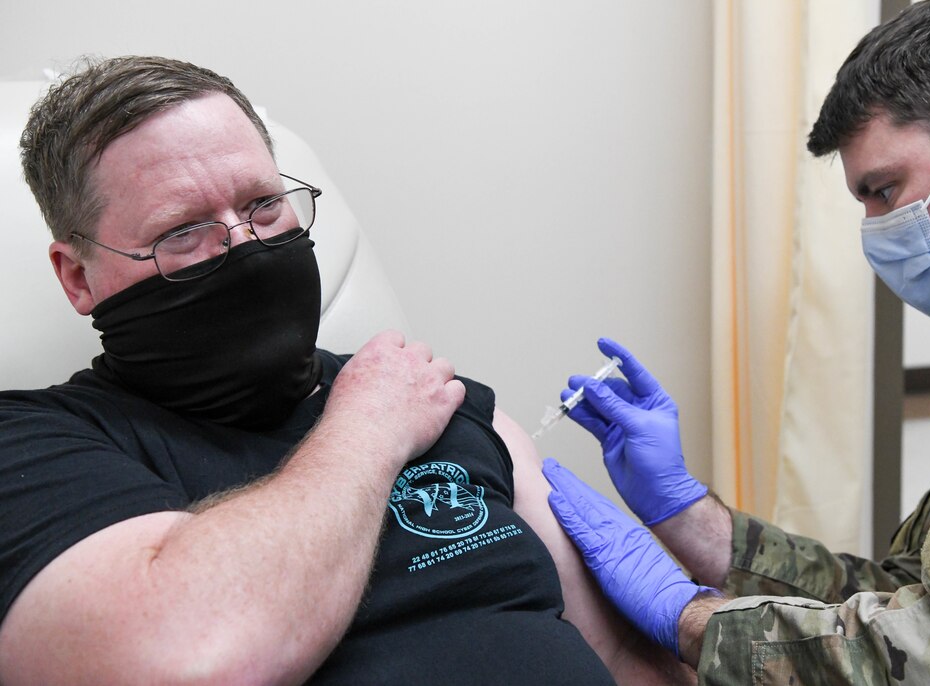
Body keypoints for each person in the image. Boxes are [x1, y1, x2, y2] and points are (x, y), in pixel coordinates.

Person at [0, 56, 690, 685]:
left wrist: (694, 540)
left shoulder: (433, 397)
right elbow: (191, 661)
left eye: (264, 205)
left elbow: (624, 658)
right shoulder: (35, 446)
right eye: (182, 231)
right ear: (77, 277)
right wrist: (367, 429)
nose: (246, 246)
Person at [544, 0, 930, 683]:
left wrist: (686, 618)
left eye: (886, 191)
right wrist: (688, 516)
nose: (878, 232)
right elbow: (906, 598)